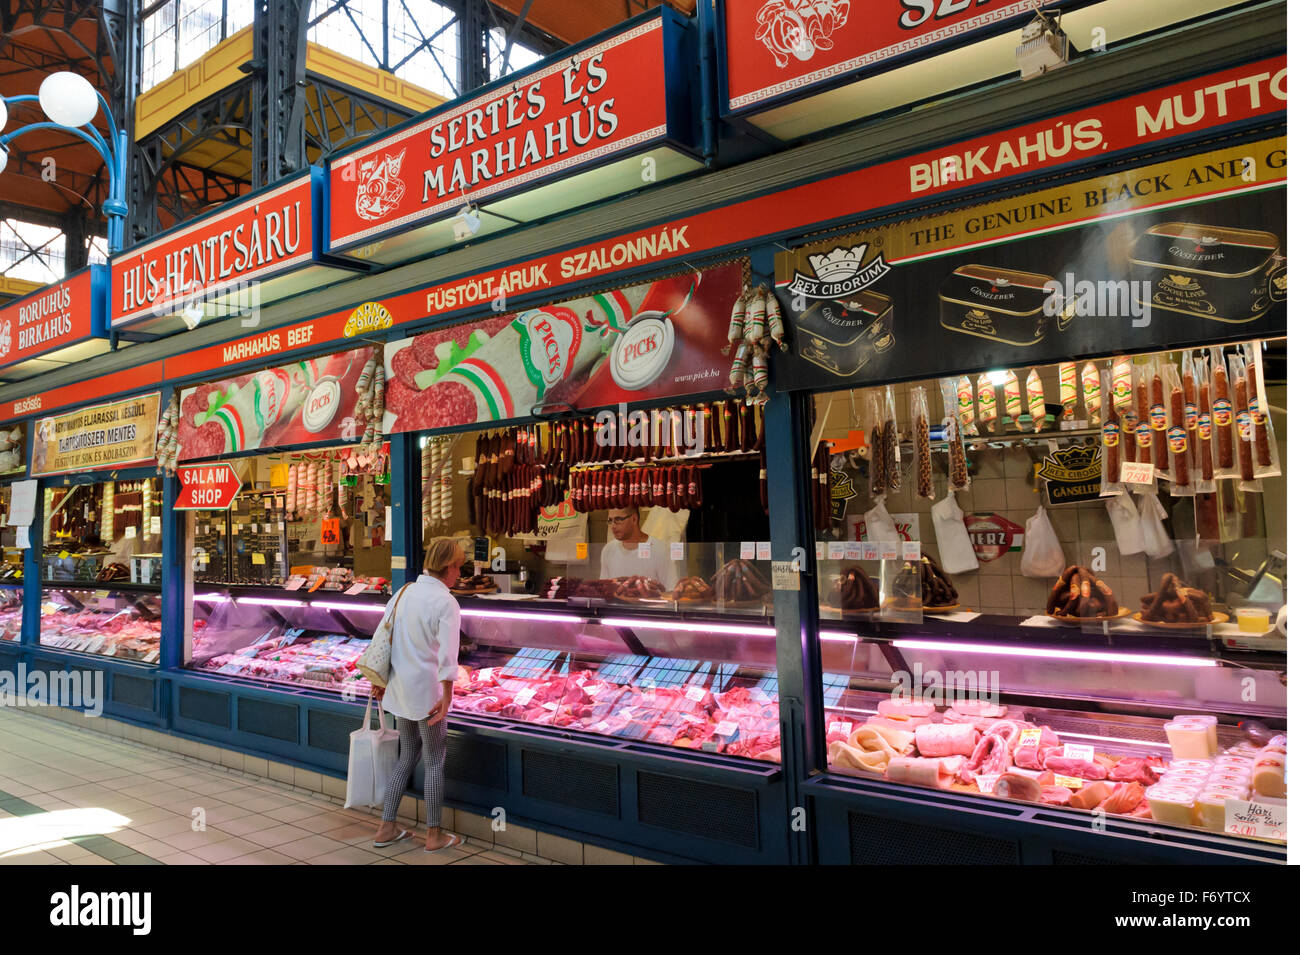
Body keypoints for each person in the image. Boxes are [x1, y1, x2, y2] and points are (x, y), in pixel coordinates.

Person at [371, 537, 466, 853]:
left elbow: (383, 637)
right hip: (429, 695)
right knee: (435, 760)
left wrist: (381, 681)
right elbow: (448, 656)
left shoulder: (404, 592)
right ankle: (434, 835)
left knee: (407, 754)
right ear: (449, 567)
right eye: (459, 567)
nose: (460, 574)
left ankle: (386, 826)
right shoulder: (446, 602)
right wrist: (448, 695)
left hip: (400, 690)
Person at [599, 506, 679, 588]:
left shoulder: (660, 549)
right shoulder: (608, 550)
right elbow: (604, 587)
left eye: (618, 520)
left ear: (634, 519)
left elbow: (671, 589)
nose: (613, 526)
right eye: (610, 520)